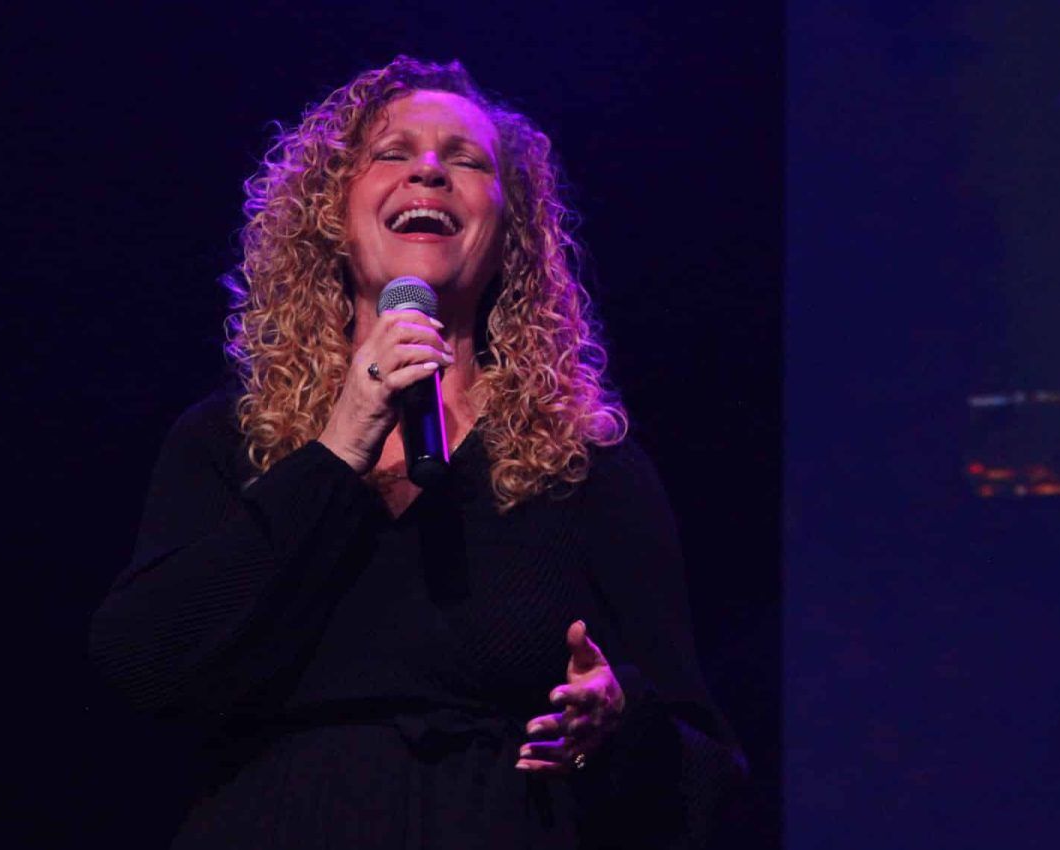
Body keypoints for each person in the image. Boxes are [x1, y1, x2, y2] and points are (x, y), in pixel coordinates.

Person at [89, 55, 745, 849]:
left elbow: (709, 776)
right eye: (393, 153)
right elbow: (141, 663)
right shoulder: (231, 440)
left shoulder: (584, 467)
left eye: (466, 161)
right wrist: (337, 448)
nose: (429, 171)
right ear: (332, 216)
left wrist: (619, 720)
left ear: (510, 237)